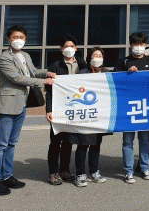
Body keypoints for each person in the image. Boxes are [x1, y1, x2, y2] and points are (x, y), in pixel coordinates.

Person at [0, 25, 55, 196]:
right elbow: (17, 78)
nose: (19, 40)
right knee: (1, 144)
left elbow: (32, 72)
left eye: (22, 37)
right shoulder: (4, 58)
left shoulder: (25, 55)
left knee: (11, 143)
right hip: (6, 105)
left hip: (21, 105)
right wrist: (43, 82)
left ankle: (7, 176)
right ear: (8, 39)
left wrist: (48, 73)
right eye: (15, 37)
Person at [113, 32, 149, 184]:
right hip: (128, 107)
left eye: (141, 44)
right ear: (131, 46)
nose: (138, 47)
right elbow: (114, 80)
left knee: (145, 140)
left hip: (146, 106)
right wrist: (126, 73)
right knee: (128, 141)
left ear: (145, 45)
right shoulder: (123, 61)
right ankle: (128, 171)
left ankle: (144, 168)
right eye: (136, 44)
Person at [46, 35, 87, 185]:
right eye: (66, 46)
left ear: (76, 48)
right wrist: (49, 110)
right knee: (55, 142)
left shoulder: (82, 64)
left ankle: (64, 169)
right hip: (59, 108)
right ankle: (53, 172)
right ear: (61, 49)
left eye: (72, 46)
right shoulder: (55, 66)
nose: (69, 49)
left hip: (75, 108)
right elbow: (49, 91)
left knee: (69, 141)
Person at [70, 47, 111, 187]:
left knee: (96, 144)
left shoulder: (107, 73)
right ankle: (80, 174)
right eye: (94, 55)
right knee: (83, 144)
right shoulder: (82, 73)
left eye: (100, 56)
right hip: (86, 115)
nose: (97, 58)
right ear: (89, 58)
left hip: (99, 116)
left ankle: (94, 171)